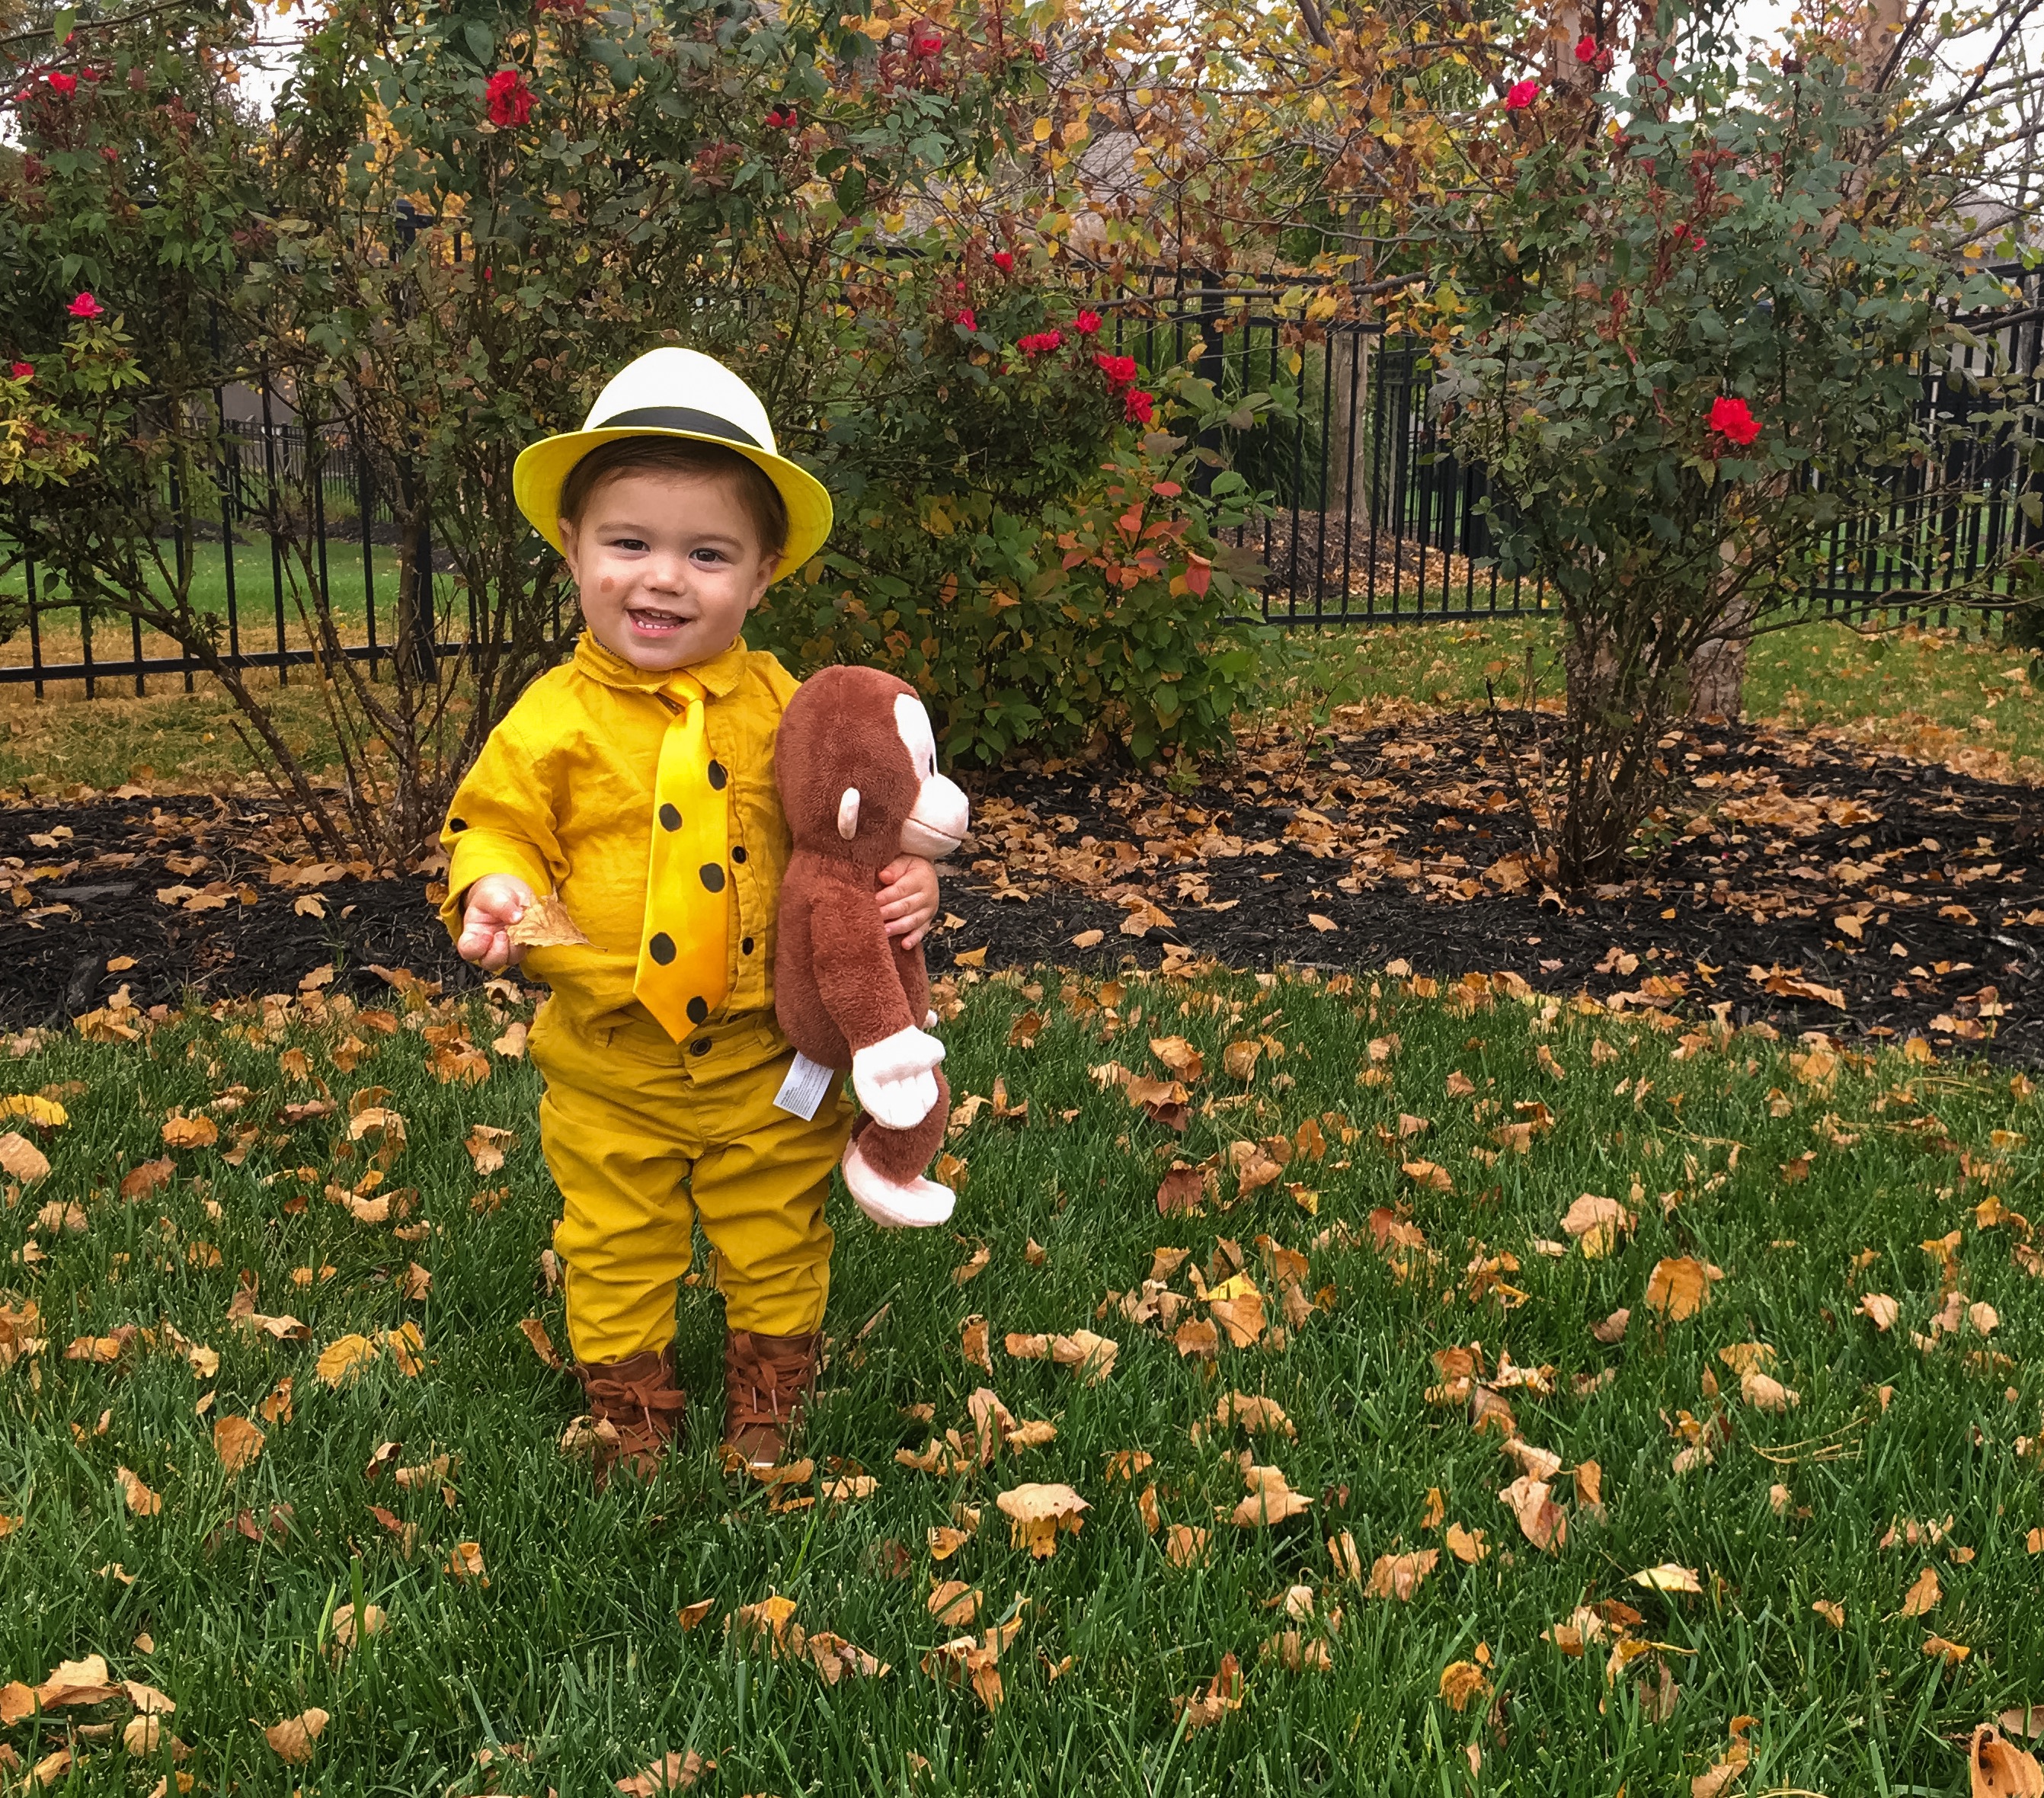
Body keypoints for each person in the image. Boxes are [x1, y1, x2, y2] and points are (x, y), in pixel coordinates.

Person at [438, 347, 942, 1483]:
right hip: (609, 1058)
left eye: (706, 555)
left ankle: (770, 1389)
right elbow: (497, 821)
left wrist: (913, 884)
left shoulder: (792, 711)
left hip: (771, 1057)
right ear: (572, 548)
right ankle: (632, 1406)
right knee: (616, 1240)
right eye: (629, 544)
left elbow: (853, 830)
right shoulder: (552, 718)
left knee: (776, 1229)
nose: (663, 579)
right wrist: (497, 887)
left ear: (762, 577)